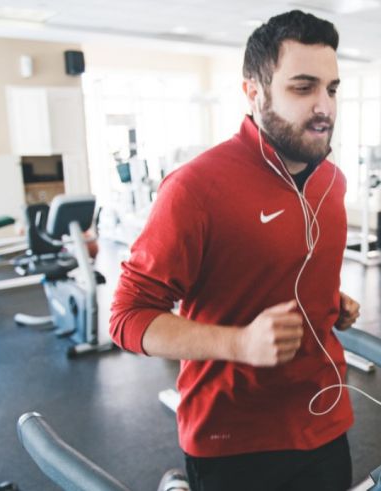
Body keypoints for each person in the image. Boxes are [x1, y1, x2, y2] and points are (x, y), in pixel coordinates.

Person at [110, 10, 360, 491]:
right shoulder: (195, 188)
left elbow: (283, 267)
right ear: (254, 92)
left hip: (325, 418)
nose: (324, 106)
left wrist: (330, 300)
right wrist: (238, 343)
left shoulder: (332, 179)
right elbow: (127, 317)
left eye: (331, 88)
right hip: (235, 437)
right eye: (303, 87)